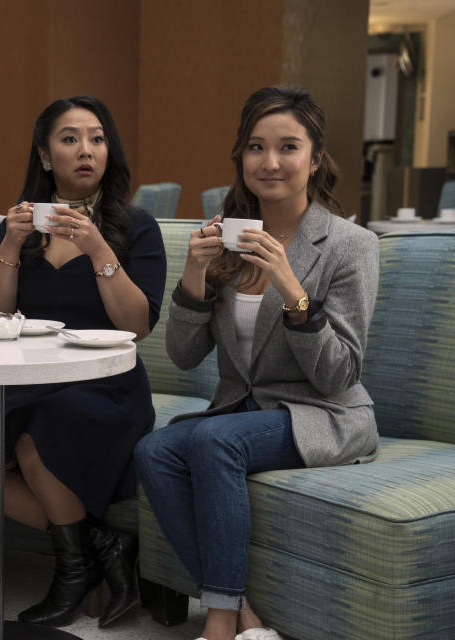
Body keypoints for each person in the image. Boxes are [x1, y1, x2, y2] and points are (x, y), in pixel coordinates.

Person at [133, 86, 379, 640]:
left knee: (213, 440)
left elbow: (339, 374)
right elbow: (183, 354)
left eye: (288, 147)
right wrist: (194, 277)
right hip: (246, 410)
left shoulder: (350, 246)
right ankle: (241, 610)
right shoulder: (226, 237)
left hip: (324, 414)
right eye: (255, 147)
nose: (270, 162)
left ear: (315, 160)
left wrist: (290, 286)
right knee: (153, 450)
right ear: (240, 159)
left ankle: (219, 623)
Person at [0, 95, 167, 628]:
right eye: (69, 139)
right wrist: (11, 242)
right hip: (34, 378)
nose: (85, 150)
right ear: (45, 157)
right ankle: (103, 547)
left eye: (96, 138)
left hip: (107, 385)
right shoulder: (17, 227)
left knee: (33, 437)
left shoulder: (136, 227)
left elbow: (136, 326)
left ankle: (72, 572)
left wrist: (99, 252)